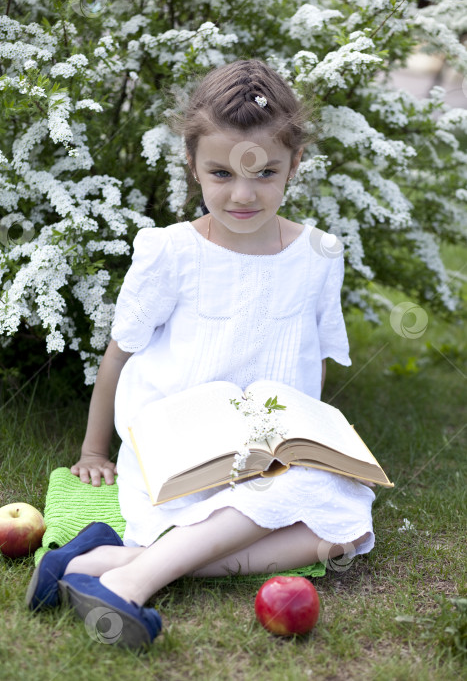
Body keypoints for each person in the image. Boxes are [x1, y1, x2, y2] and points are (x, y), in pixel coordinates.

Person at [26, 59, 375, 650]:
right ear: (193, 166)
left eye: (265, 173)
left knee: (347, 525)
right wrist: (93, 449)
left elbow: (311, 357)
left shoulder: (318, 253)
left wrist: (306, 439)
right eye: (221, 173)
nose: (243, 194)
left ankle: (105, 562)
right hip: (180, 453)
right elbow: (119, 355)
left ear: (295, 167)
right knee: (304, 511)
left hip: (266, 450)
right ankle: (131, 582)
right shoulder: (170, 252)